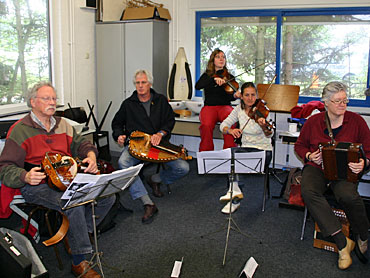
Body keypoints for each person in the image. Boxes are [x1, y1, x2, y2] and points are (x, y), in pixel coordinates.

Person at [0, 81, 114, 278]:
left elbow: (83, 144)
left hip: (67, 179)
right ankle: (80, 262)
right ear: (33, 102)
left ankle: (76, 235)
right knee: (74, 204)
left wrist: (92, 156)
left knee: (107, 195)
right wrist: (25, 176)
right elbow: (4, 168)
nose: (52, 102)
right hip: (37, 185)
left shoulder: (63, 124)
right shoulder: (19, 130)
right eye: (46, 98)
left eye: (54, 98)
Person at [295, 81, 370, 270]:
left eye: (345, 101)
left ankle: (363, 233)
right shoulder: (313, 122)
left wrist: (364, 163)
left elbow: (369, 151)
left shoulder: (357, 121)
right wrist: (310, 155)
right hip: (318, 168)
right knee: (309, 190)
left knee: (347, 195)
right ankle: (343, 244)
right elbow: (300, 146)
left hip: (345, 171)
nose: (342, 105)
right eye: (337, 101)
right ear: (326, 102)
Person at [111, 69, 189, 217]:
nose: (140, 86)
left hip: (158, 145)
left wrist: (160, 133)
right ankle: (147, 202)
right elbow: (117, 123)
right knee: (123, 163)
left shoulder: (160, 100)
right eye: (137, 83)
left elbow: (169, 121)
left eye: (144, 82)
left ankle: (154, 179)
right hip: (136, 146)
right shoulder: (128, 104)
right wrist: (119, 135)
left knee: (183, 168)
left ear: (150, 84)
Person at [219, 82, 273, 213]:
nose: (250, 98)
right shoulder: (238, 109)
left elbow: (270, 133)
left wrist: (263, 126)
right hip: (246, 148)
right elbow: (223, 125)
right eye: (247, 95)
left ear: (257, 95)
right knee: (230, 154)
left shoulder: (263, 111)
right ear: (241, 96)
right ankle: (235, 192)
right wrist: (230, 131)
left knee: (237, 160)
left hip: (263, 151)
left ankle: (235, 197)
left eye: (253, 95)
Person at [195, 49, 241, 152]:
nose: (221, 59)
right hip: (209, 107)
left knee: (231, 123)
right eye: (218, 57)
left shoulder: (229, 77)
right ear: (213, 60)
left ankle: (230, 154)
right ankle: (206, 155)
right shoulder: (207, 76)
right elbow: (198, 86)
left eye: (223, 57)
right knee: (206, 125)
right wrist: (213, 80)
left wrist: (235, 95)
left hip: (225, 106)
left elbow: (230, 97)